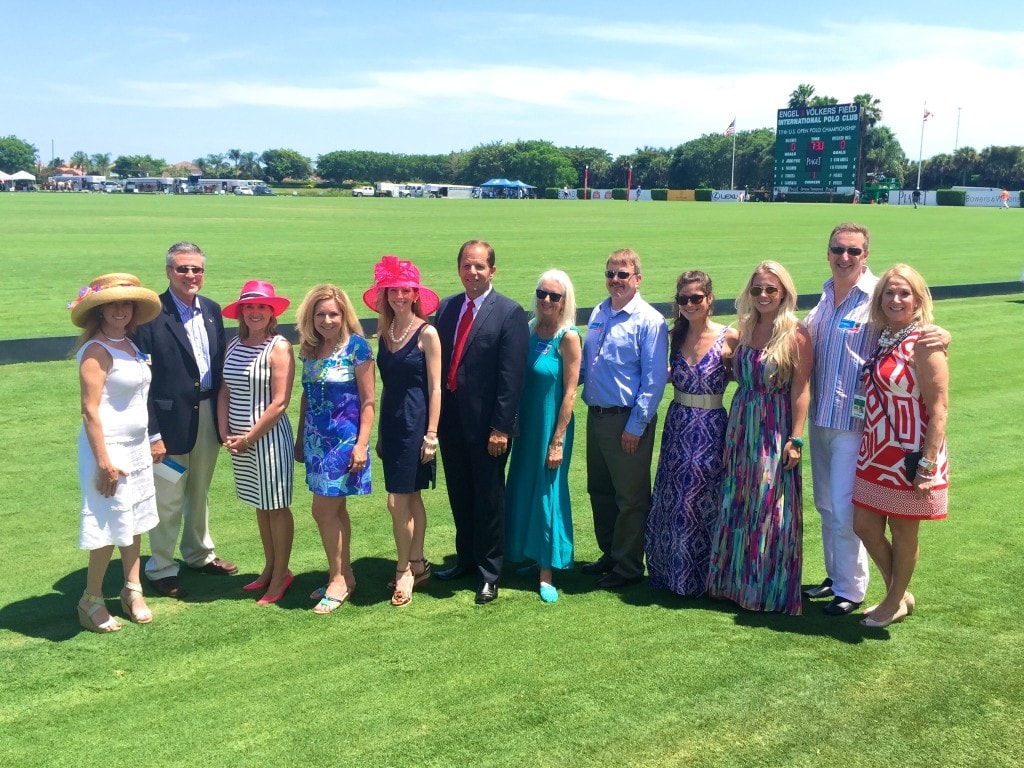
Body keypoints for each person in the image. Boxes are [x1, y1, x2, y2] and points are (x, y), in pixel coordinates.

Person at [706, 261, 812, 615]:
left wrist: (796, 438)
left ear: (784, 293)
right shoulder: (745, 327)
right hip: (741, 424)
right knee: (737, 501)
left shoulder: (797, 334)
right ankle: (733, 584)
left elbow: (801, 390)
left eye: (770, 289)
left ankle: (766, 588)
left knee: (769, 506)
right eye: (757, 289)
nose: (763, 295)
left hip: (774, 426)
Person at [135, 242, 237, 599]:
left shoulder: (211, 309)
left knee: (199, 490)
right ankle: (161, 567)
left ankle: (199, 554)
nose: (190, 275)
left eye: (196, 269)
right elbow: (142, 381)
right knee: (168, 496)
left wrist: (224, 421)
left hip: (207, 415)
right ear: (168, 272)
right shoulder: (149, 314)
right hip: (168, 424)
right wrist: (153, 433)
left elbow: (219, 367)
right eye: (182, 268)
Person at [853, 265, 949, 628]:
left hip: (911, 454)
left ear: (919, 299)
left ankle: (893, 601)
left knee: (904, 531)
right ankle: (899, 593)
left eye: (904, 293)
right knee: (864, 525)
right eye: (889, 293)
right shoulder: (883, 336)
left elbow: (940, 408)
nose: (896, 300)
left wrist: (927, 465)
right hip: (876, 451)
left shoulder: (925, 342)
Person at [434, 240, 529, 605]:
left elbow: (511, 377)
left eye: (479, 266)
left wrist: (501, 428)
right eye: (466, 265)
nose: (472, 272)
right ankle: (466, 560)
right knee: (460, 495)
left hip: (489, 428)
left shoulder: (509, 312)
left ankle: (489, 573)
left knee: (489, 500)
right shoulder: (447, 308)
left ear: (492, 270)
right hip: (451, 424)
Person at [69, 273, 162, 632]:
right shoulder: (96, 350)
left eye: (126, 304)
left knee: (134, 519)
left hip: (135, 447)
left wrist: (149, 438)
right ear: (100, 309)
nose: (120, 310)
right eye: (113, 304)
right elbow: (89, 410)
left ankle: (132, 589)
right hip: (108, 450)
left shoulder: (130, 345)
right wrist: (104, 462)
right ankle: (90, 599)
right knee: (107, 524)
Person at [580, 248, 669, 589]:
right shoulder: (599, 312)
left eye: (623, 274)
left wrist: (636, 426)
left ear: (637, 279)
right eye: (610, 274)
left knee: (630, 497)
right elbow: (587, 365)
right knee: (600, 490)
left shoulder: (649, 320)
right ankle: (611, 553)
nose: (615, 280)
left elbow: (654, 380)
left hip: (626, 420)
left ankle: (629, 565)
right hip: (596, 416)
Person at [645, 271, 738, 596]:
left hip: (712, 427)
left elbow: (748, 374)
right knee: (673, 498)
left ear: (709, 299)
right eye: (683, 299)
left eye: (696, 298)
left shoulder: (729, 336)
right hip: (677, 425)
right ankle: (670, 572)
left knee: (704, 499)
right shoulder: (674, 336)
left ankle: (703, 578)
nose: (689, 304)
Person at [362, 256, 441, 608]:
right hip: (392, 425)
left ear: (415, 294)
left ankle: (403, 569)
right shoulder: (385, 332)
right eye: (393, 290)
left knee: (397, 502)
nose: (399, 296)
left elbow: (436, 388)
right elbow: (387, 387)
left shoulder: (427, 334)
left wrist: (432, 434)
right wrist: (380, 433)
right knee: (411, 498)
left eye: (406, 290)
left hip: (417, 424)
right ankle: (419, 562)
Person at [294, 285, 375, 615]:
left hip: (344, 443)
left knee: (322, 511)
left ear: (344, 315)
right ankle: (343, 576)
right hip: (316, 442)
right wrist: (300, 438)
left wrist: (361, 445)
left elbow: (368, 401)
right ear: (310, 317)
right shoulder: (310, 349)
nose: (327, 320)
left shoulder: (357, 347)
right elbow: (306, 395)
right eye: (320, 314)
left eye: (333, 314)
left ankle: (338, 580)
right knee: (335, 511)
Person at [504, 270, 582, 603]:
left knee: (548, 492)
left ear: (565, 301)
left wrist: (558, 440)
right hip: (526, 428)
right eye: (542, 294)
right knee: (523, 487)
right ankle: (530, 554)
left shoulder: (569, 337)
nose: (546, 300)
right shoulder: (529, 330)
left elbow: (570, 393)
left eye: (554, 296)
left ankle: (547, 572)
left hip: (552, 426)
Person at [217, 280, 296, 606]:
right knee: (261, 505)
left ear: (271, 312)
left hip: (267, 440)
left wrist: (248, 437)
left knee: (276, 506)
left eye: (262, 307)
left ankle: (281, 575)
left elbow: (280, 402)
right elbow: (225, 390)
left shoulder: (279, 347)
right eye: (249, 306)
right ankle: (270, 568)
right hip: (239, 442)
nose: (255, 312)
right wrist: (225, 433)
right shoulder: (234, 343)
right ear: (241, 311)